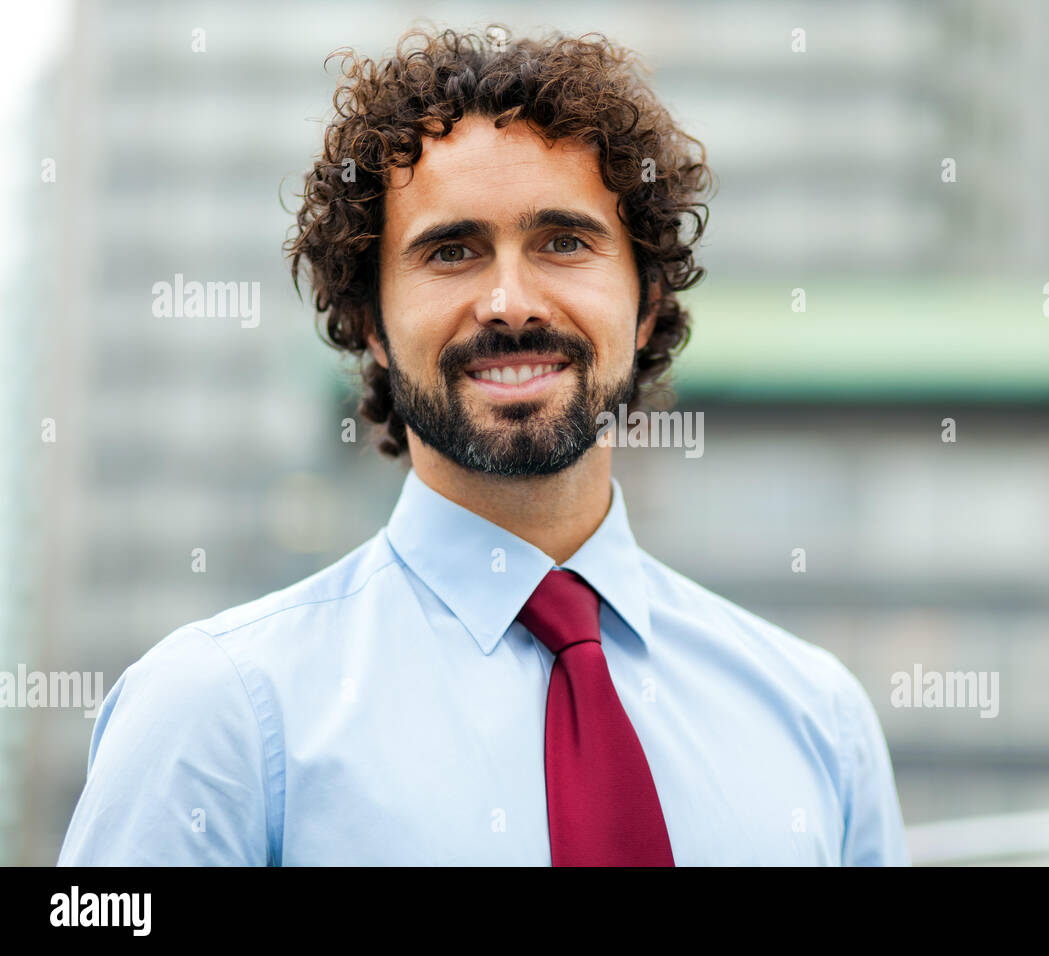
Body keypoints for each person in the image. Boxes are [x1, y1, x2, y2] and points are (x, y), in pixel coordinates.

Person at [57, 24, 909, 866]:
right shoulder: (217, 715)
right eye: (452, 251)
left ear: (646, 304)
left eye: (564, 242)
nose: (509, 302)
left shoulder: (818, 718)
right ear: (371, 325)